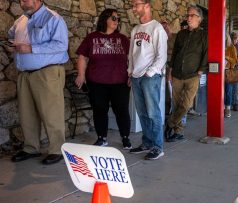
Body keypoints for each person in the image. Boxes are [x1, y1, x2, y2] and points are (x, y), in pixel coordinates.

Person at [8, 0, 68, 165]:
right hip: (25, 74)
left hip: (46, 72)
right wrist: (12, 45)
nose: (22, 3)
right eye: (20, 0)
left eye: (25, 0)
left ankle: (57, 150)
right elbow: (11, 36)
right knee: (27, 113)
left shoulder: (53, 19)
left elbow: (62, 45)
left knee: (51, 113)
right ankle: (30, 148)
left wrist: (32, 48)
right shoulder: (20, 20)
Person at [75, 9, 131, 149]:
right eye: (113, 18)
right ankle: (102, 138)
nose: (116, 21)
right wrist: (81, 75)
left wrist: (131, 75)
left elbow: (132, 59)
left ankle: (125, 137)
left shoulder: (123, 39)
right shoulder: (92, 38)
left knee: (122, 111)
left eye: (118, 19)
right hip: (97, 83)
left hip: (120, 83)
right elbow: (82, 57)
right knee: (99, 110)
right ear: (105, 19)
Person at [127, 0, 168, 160]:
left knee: (153, 113)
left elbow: (162, 55)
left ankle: (158, 147)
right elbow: (131, 54)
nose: (134, 8)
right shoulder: (136, 29)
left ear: (146, 5)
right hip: (136, 76)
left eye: (136, 4)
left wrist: (150, 73)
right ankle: (147, 143)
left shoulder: (157, 28)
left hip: (150, 77)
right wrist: (130, 71)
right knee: (142, 113)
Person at [165, 5, 207, 140]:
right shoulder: (181, 34)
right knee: (176, 104)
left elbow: (206, 54)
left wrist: (201, 70)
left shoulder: (204, 35)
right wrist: (170, 71)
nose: (188, 18)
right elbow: (175, 53)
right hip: (177, 74)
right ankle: (178, 132)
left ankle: (169, 123)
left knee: (186, 105)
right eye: (187, 15)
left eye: (191, 15)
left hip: (193, 75)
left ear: (199, 19)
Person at [224, 33, 238, 117]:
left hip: (228, 71)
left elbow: (235, 61)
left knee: (228, 91)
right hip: (218, 72)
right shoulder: (218, 45)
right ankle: (220, 107)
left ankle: (228, 108)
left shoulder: (232, 47)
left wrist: (227, 57)